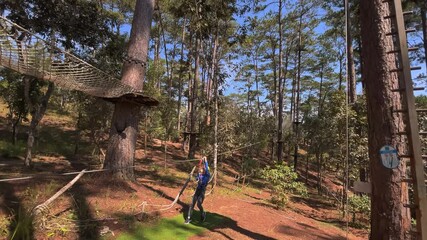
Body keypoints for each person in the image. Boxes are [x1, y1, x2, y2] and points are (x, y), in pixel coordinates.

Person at [185, 157, 210, 224]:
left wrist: (205, 160)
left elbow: (207, 168)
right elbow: (196, 179)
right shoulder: (199, 175)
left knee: (199, 204)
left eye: (201, 169)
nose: (200, 170)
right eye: (200, 170)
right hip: (198, 190)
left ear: (204, 170)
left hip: (202, 191)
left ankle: (203, 213)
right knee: (192, 204)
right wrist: (194, 179)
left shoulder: (207, 175)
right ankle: (188, 218)